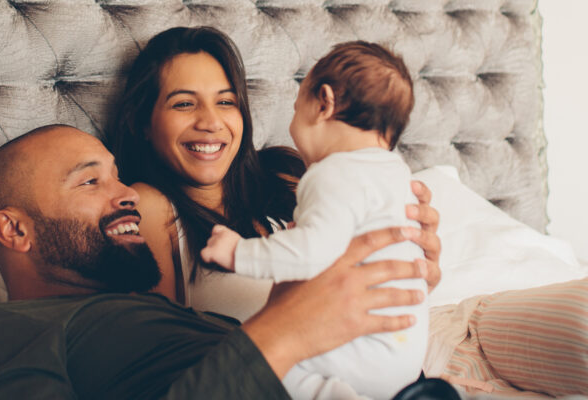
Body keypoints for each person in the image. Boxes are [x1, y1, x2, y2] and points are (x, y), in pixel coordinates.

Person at [107, 26, 587, 398]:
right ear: (143, 121)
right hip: (348, 377)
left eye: (227, 101)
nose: (211, 121)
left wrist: (419, 267)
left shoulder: (289, 173)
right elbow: (166, 359)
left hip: (437, 329)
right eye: (184, 103)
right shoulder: (151, 207)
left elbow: (376, 256)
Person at [0, 125, 431, 399]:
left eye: (119, 177)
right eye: (91, 181)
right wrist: (279, 336)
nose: (127, 196)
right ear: (14, 229)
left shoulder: (191, 322)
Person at [200, 41, 428, 400]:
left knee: (275, 372)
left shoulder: (332, 173)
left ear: (324, 103)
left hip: (361, 349)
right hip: (405, 351)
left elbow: (310, 254)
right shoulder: (397, 175)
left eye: (295, 108)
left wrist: (238, 253)